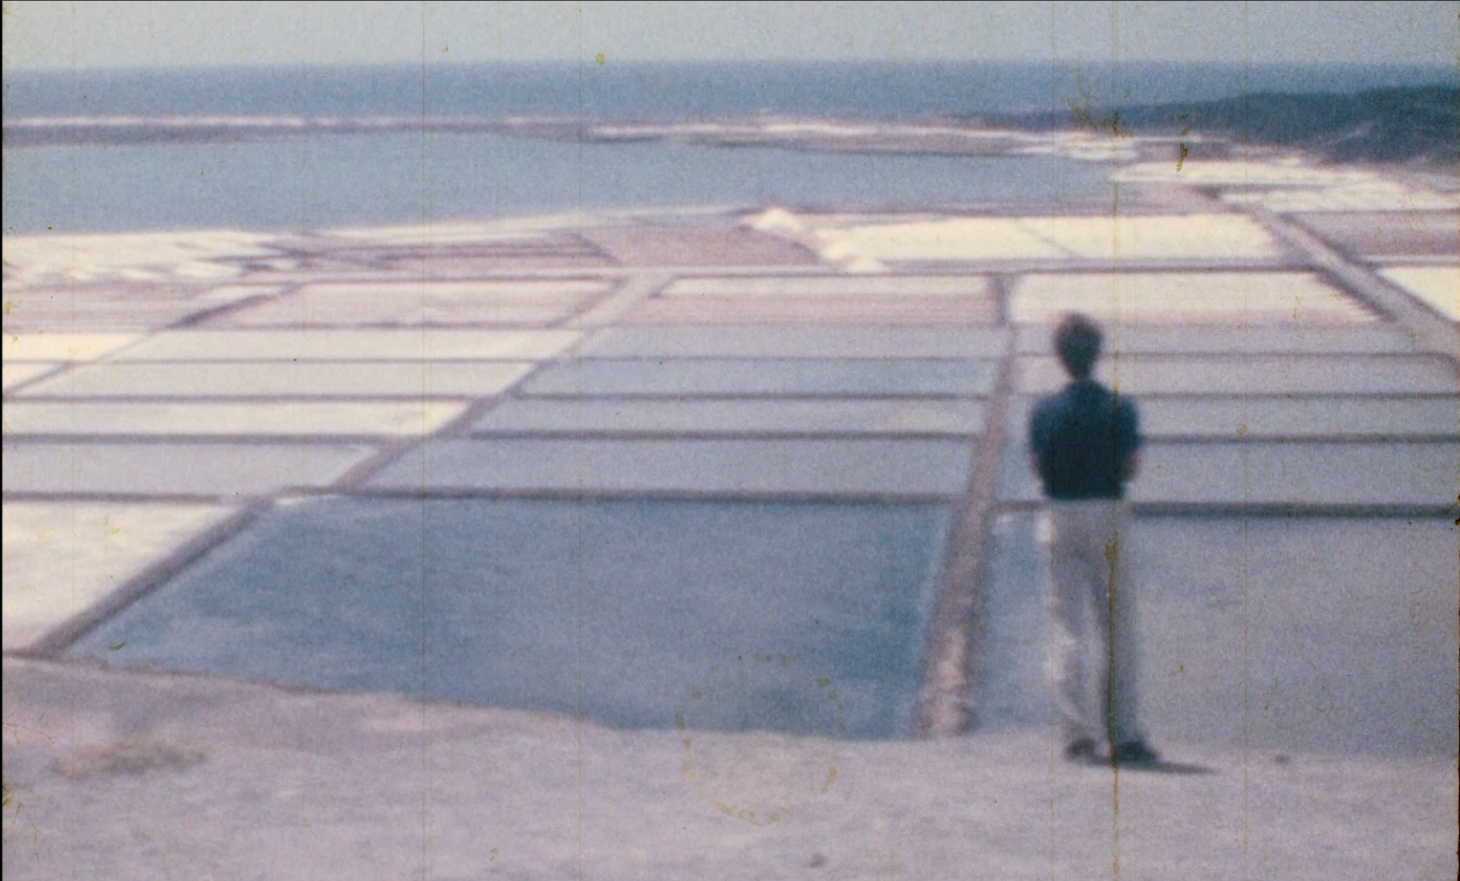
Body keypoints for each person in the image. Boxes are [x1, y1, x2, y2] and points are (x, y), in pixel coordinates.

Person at [1028, 313, 1159, 767]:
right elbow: (1131, 468)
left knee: (1067, 628)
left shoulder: (1042, 412)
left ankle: (1076, 736)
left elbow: (1037, 468)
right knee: (1117, 629)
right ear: (1097, 354)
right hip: (1107, 515)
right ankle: (1124, 735)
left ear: (1061, 358)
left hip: (1060, 516)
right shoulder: (1121, 408)